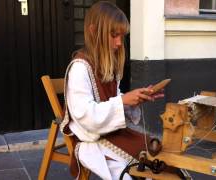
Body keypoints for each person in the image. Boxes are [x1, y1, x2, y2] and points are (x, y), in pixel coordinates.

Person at [60, 1, 164, 180]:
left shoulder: (108, 65)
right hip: (90, 140)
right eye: (114, 35)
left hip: (110, 133)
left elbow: (111, 99)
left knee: (158, 154)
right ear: (94, 31)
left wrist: (134, 99)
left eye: (122, 36)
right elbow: (85, 115)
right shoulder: (79, 68)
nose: (118, 42)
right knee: (134, 169)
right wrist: (123, 101)